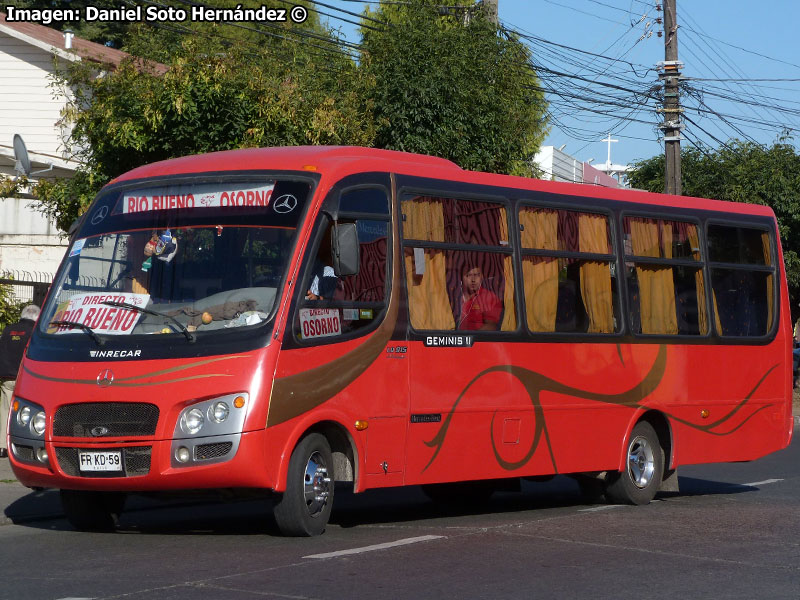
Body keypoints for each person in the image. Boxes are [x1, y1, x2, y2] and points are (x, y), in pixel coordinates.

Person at [0, 304, 40, 458]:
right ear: (37, 317)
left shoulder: (8, 329)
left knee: (5, 410)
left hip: (6, 377)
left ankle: (2, 447)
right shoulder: (34, 332)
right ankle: (25, 444)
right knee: (28, 410)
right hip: (25, 378)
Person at [457, 263, 502, 331]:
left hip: (476, 340)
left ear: (482, 277)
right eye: (468, 275)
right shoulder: (454, 296)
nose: (473, 280)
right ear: (461, 278)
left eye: (477, 275)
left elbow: (491, 326)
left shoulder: (489, 297)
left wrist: (470, 339)